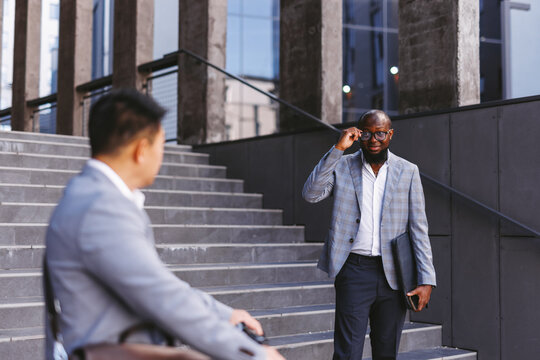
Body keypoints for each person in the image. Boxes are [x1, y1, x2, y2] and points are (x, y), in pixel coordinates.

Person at [45, 89, 285, 360]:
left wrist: (225, 314)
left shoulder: (92, 196)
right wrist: (255, 355)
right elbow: (163, 297)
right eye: (162, 146)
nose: (162, 156)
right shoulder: (101, 208)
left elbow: (158, 283)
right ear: (141, 150)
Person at [302, 110, 436, 360]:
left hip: (394, 275)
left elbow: (419, 228)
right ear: (358, 134)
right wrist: (337, 149)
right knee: (347, 353)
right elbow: (311, 194)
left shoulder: (408, 171)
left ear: (390, 134)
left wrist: (426, 279)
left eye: (380, 133)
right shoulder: (341, 164)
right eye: (367, 134)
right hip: (354, 270)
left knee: (386, 353)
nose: (374, 139)